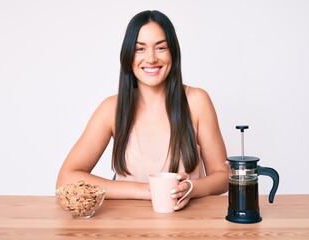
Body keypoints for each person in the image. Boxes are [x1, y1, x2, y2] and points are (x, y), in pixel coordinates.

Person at [56, 10, 228, 211]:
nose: (151, 58)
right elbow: (66, 179)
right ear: (128, 56)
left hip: (188, 224)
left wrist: (191, 187)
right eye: (140, 49)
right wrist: (148, 191)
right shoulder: (111, 109)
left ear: (174, 52)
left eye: (161, 47)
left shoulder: (197, 101)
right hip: (128, 225)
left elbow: (223, 176)